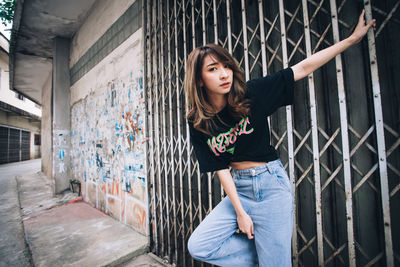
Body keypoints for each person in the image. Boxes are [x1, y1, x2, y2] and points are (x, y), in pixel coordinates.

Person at [184, 10, 375, 267]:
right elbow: (220, 168)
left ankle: (271, 258)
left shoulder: (251, 94)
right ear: (198, 79)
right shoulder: (198, 120)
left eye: (227, 66)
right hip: (239, 189)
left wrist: (351, 40)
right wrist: (241, 212)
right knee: (200, 245)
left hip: (270, 186)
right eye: (213, 69)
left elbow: (301, 68)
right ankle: (268, 257)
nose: (224, 74)